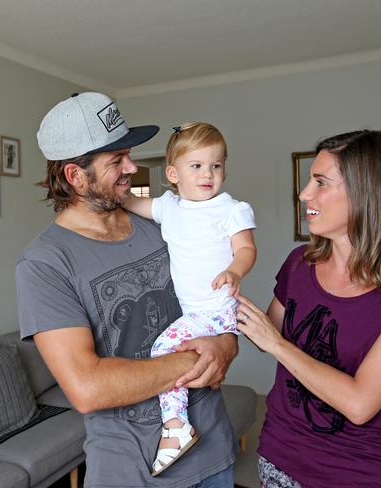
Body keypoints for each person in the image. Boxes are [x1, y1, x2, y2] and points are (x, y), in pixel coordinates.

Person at [15, 92, 238, 488]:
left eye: (127, 154)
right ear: (75, 176)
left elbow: (217, 300)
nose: (132, 167)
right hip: (131, 472)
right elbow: (87, 388)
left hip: (214, 452)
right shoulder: (46, 264)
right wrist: (201, 358)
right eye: (116, 160)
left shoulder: (163, 225)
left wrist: (226, 343)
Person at [235, 130, 381, 487]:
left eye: (320, 182)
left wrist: (275, 344)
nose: (304, 194)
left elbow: (360, 403)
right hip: (278, 452)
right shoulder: (300, 262)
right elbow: (268, 332)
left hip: (355, 469)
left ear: (370, 194)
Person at [124, 122, 257, 475]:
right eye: (196, 166)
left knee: (162, 349)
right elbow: (131, 202)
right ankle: (187, 408)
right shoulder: (170, 207)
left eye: (216, 165)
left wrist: (235, 271)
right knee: (187, 355)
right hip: (196, 311)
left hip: (216, 308)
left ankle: (175, 427)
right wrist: (113, 193)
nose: (208, 174)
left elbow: (246, 248)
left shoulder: (231, 208)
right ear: (173, 174)